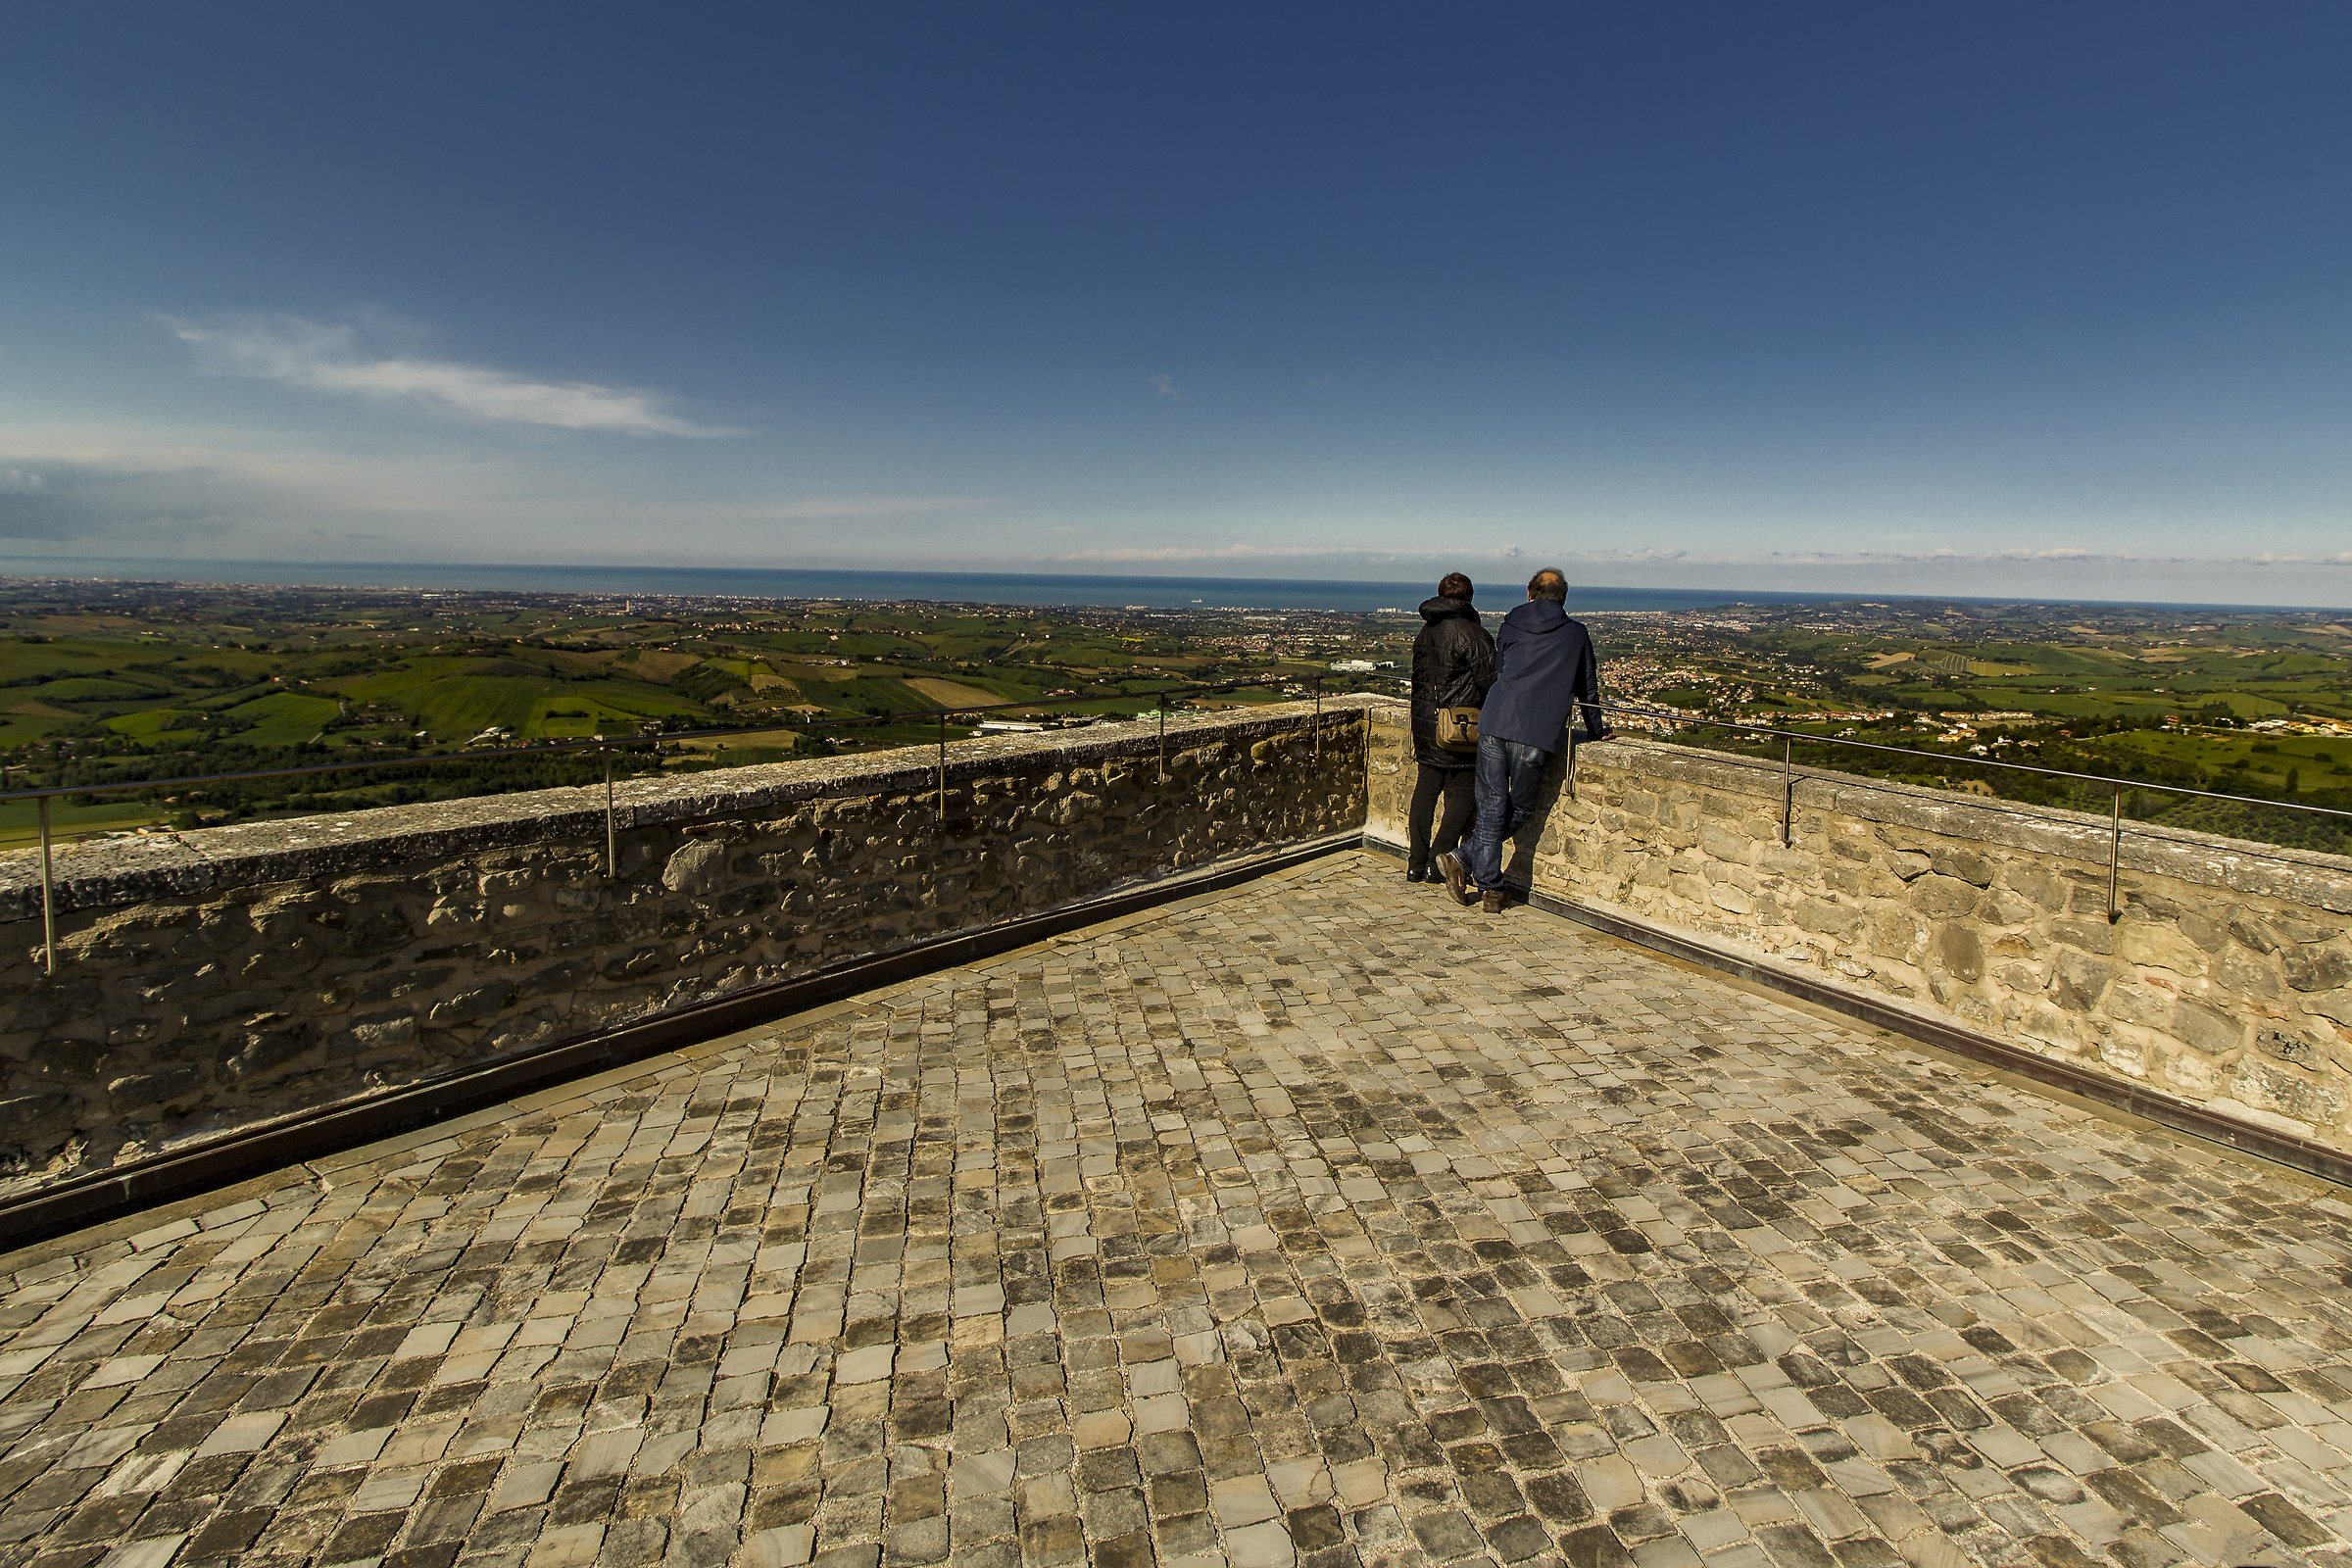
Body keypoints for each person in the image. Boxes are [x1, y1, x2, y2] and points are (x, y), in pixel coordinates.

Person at [1439, 567, 1609, 912]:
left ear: (1529, 594)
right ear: (1562, 598)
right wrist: (1596, 732)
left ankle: (1478, 875)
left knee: (1490, 808)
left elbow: (1502, 669)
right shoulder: (1576, 634)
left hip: (1495, 720)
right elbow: (1587, 689)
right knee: (1520, 808)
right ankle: (1482, 880)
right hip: (1535, 730)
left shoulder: (1510, 623)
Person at [1405, 573, 1494, 884]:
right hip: (1460, 727)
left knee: (1426, 790)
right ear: (1469, 598)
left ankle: (1415, 862)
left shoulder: (1425, 631)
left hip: (1426, 724)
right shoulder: (1473, 634)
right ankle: (1438, 860)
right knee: (1466, 791)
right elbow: (1491, 682)